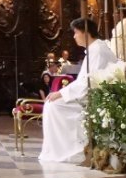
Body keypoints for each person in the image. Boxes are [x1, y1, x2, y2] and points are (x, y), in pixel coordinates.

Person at [39, 18, 119, 164]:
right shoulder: (95, 49)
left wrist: (60, 93)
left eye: (76, 32)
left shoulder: (98, 50)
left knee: (53, 106)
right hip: (91, 94)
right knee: (52, 104)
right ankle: (62, 149)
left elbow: (86, 83)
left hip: (96, 98)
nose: (74, 36)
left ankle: (71, 150)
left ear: (86, 33)